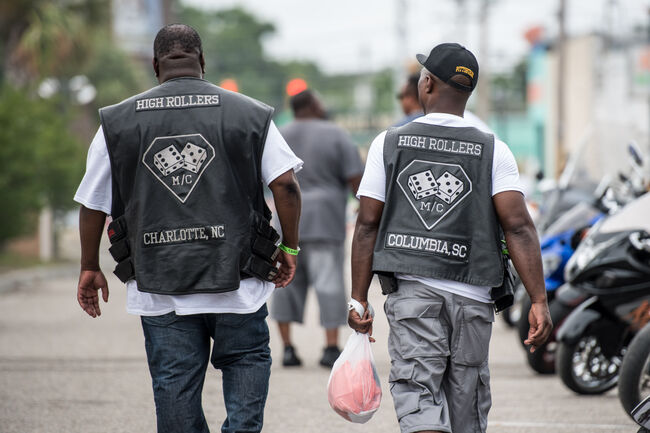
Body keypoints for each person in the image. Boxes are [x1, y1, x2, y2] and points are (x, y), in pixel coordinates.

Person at [74, 24, 303, 433]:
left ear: (155, 65)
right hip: (240, 283)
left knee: (174, 385)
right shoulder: (249, 113)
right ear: (202, 62)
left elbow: (94, 202)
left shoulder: (118, 122)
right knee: (245, 360)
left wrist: (88, 265)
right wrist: (290, 249)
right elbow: (285, 184)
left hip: (160, 287)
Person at [348, 43, 552, 433]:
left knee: (419, 397)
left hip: (414, 295)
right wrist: (538, 300)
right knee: (467, 410)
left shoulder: (388, 143)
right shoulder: (495, 150)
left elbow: (367, 224)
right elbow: (519, 227)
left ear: (426, 83)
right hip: (473, 298)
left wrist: (359, 299)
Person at [270, 89, 364, 367]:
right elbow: (356, 179)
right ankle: (330, 348)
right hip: (326, 220)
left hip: (287, 222)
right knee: (329, 285)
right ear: (312, 105)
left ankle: (287, 349)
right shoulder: (336, 134)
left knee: (285, 283)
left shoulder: (279, 134)